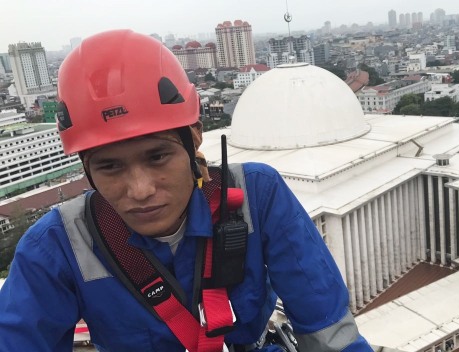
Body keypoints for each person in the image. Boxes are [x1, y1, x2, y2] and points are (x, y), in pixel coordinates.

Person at [0, 29, 372, 352]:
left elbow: (328, 331)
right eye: (109, 166)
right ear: (87, 168)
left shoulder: (255, 197)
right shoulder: (58, 247)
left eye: (158, 156)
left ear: (194, 138)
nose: (141, 190)